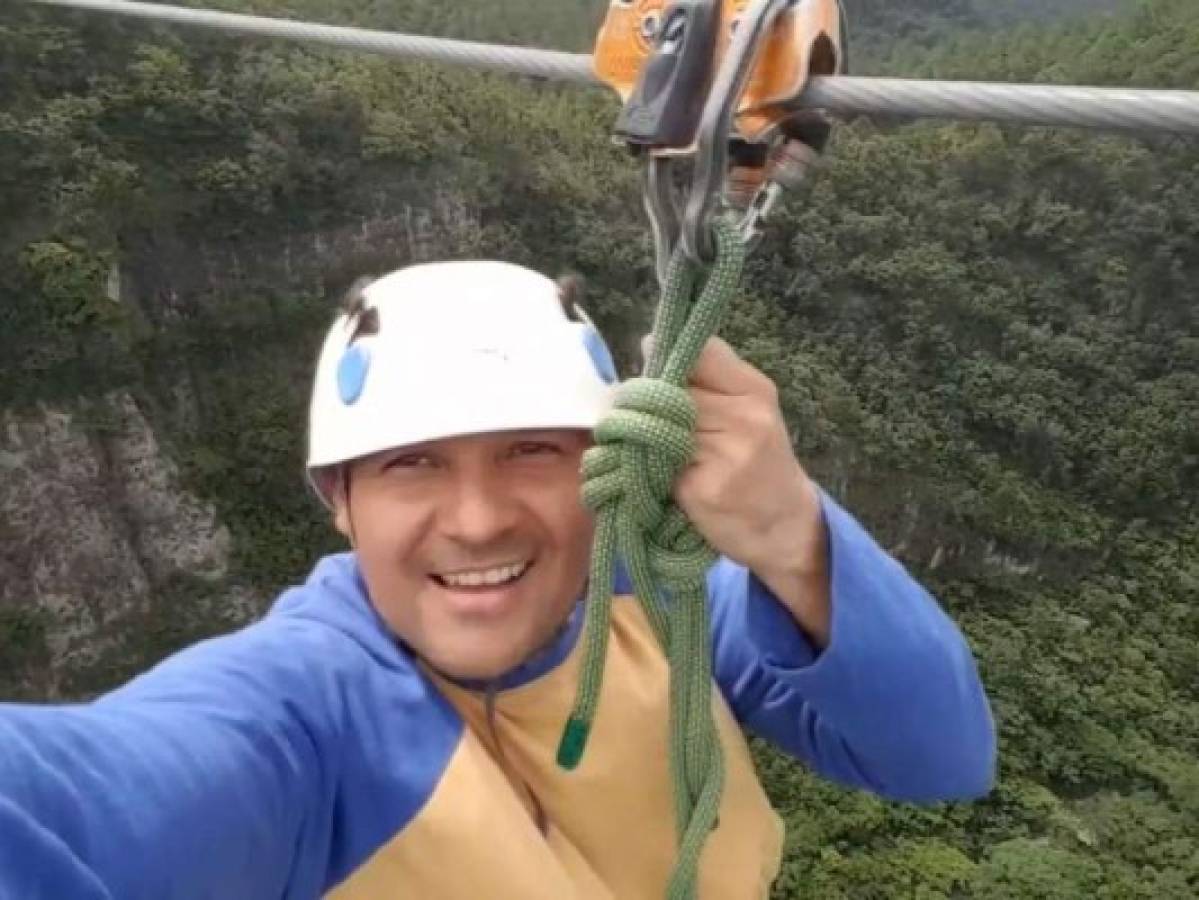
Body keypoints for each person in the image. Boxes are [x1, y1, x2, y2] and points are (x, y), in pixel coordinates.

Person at [0, 260, 996, 899]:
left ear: (603, 474)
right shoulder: (298, 719)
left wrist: (789, 534)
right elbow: (75, 805)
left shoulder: (658, 599)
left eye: (529, 451)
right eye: (410, 463)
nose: (476, 519)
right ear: (338, 502)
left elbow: (936, 757)